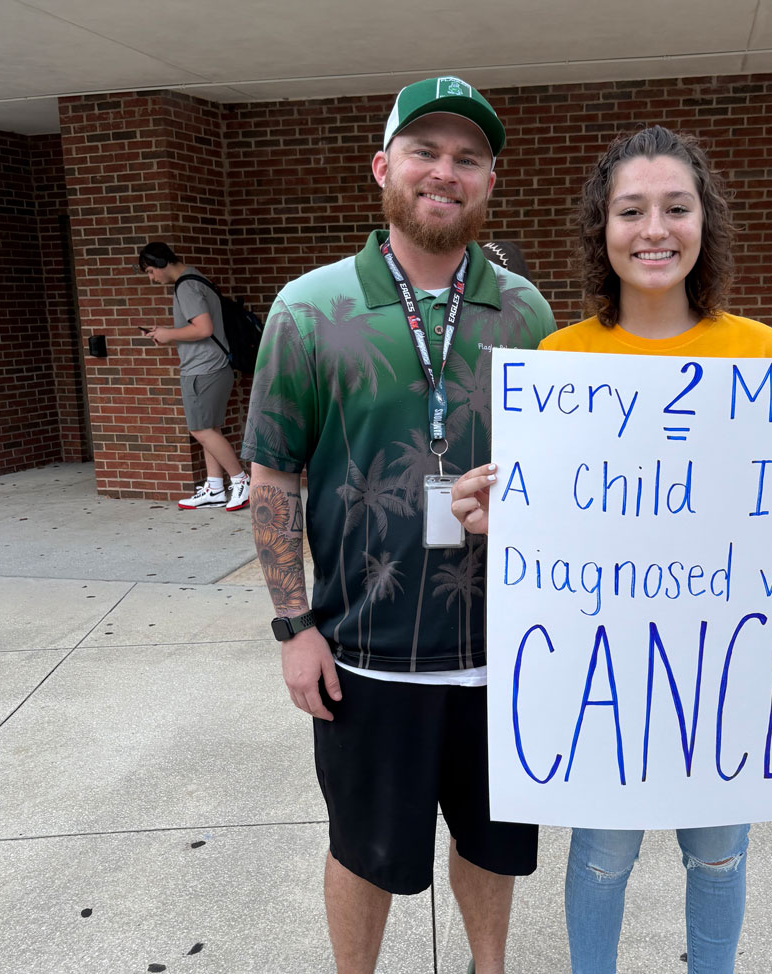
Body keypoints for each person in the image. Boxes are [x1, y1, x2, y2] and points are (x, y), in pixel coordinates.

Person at [450, 125, 772, 973]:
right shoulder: (563, 360)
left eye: (676, 207)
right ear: (602, 228)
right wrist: (493, 517)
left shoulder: (760, 350)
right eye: (631, 210)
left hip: (724, 681)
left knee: (718, 856)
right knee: (602, 861)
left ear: (704, 221)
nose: (654, 230)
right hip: (610, 676)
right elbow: (561, 520)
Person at [241, 77, 556, 974]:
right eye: (425, 151)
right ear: (385, 167)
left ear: (490, 182)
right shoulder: (310, 309)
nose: (444, 172)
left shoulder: (527, 312)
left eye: (468, 158)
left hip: (502, 645)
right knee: (363, 849)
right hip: (365, 650)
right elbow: (271, 478)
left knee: (495, 847)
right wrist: (294, 628)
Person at [138, 242, 250, 511]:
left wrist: (168, 334)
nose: (153, 279)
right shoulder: (196, 277)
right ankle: (214, 487)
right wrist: (167, 333)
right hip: (212, 366)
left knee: (200, 429)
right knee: (209, 428)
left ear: (163, 264)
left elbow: (203, 328)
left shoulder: (186, 286)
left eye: (152, 272)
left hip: (203, 368)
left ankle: (242, 481)